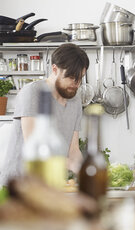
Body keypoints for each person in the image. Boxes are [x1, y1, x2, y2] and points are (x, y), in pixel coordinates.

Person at [0, 43, 89, 186]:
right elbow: (35, 147)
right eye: (71, 77)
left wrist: (85, 173)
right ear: (55, 69)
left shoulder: (75, 101)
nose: (76, 84)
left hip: (49, 185)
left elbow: (73, 150)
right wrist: (73, 166)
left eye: (80, 78)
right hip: (18, 185)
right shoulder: (33, 92)